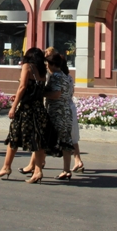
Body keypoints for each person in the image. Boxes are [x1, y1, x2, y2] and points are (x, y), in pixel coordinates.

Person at [0, 48, 49, 182]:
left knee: (14, 137)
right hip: (39, 109)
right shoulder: (42, 71)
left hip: (26, 109)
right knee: (38, 139)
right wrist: (19, 96)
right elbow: (35, 89)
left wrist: (14, 106)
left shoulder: (27, 66)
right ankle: (38, 171)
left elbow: (23, 87)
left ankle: (6, 167)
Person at [42, 52, 75, 180]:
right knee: (66, 141)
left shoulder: (55, 76)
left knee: (46, 139)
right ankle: (66, 170)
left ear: (52, 64)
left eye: (47, 64)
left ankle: (37, 167)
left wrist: (42, 94)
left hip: (57, 112)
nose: (46, 66)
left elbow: (56, 94)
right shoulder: (65, 76)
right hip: (66, 112)